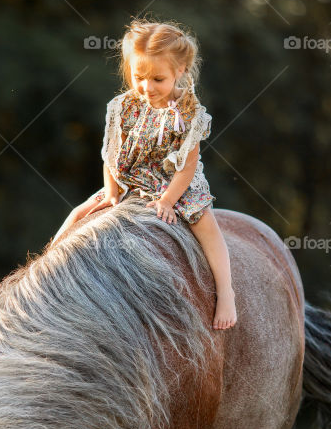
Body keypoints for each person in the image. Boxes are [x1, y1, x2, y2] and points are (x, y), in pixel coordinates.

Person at [54, 17, 237, 329]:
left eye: (157, 79)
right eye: (139, 77)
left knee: (206, 226)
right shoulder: (122, 106)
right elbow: (110, 152)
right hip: (130, 179)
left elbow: (187, 166)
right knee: (77, 214)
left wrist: (167, 201)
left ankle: (226, 291)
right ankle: (44, 274)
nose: (146, 87)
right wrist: (111, 192)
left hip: (175, 183)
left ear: (180, 71)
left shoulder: (189, 114)